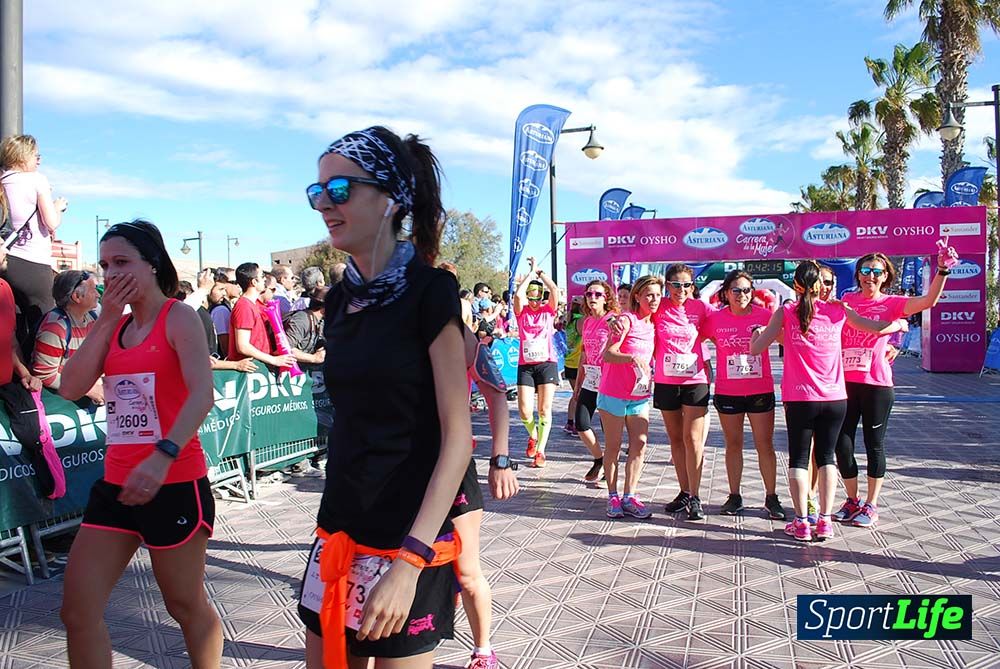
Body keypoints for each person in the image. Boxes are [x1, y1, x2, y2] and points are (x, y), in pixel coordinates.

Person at [299, 126, 472, 669]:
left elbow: (457, 439)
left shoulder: (430, 291)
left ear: (390, 196)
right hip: (339, 532)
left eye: (341, 189)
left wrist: (409, 563)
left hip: (408, 541)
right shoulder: (341, 298)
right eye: (317, 191)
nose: (324, 202)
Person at [58, 219, 221, 667]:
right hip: (116, 486)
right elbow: (70, 387)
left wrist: (162, 455)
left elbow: (201, 394)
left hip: (173, 481)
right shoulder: (114, 325)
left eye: (122, 262)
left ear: (152, 265)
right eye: (105, 265)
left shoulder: (179, 317)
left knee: (184, 606)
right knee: (77, 611)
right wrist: (107, 320)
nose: (111, 275)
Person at [750, 260, 897, 542]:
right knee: (827, 458)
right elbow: (875, 328)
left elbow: (757, 348)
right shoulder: (839, 310)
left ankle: (802, 522)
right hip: (835, 398)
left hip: (800, 398)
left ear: (796, 285)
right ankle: (825, 521)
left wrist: (757, 334)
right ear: (820, 285)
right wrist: (898, 325)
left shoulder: (786, 311)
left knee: (799, 459)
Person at [832, 244, 957, 528]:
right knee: (843, 444)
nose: (870, 276)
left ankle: (871, 505)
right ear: (858, 274)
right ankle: (852, 500)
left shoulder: (892, 303)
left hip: (876, 385)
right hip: (845, 385)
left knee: (874, 445)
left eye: (877, 272)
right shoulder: (846, 300)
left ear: (885, 276)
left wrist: (943, 270)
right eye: (865, 270)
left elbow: (928, 301)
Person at [701, 270, 785, 520]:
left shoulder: (765, 315)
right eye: (736, 290)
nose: (741, 295)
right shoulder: (715, 319)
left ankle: (771, 497)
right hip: (729, 391)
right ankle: (734, 496)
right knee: (733, 444)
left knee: (764, 445)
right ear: (726, 293)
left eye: (747, 290)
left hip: (760, 390)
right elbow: (692, 340)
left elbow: (789, 340)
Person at [598, 276, 658, 519]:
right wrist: (631, 358)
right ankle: (612, 496)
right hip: (613, 393)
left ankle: (629, 495)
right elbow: (608, 355)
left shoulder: (654, 324)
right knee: (613, 447)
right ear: (637, 297)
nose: (654, 300)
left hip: (639, 396)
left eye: (657, 295)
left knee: (639, 446)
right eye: (649, 295)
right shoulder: (626, 321)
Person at [655, 264, 711, 521]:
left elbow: (727, 319)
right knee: (676, 439)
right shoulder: (659, 306)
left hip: (695, 380)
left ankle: (696, 496)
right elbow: (636, 316)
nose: (681, 290)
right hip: (666, 381)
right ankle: (685, 491)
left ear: (693, 286)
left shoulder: (701, 308)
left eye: (686, 285)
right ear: (667, 285)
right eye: (676, 284)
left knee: (693, 439)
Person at [0, 135, 68, 345]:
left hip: (6, 260)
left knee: (15, 325)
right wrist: (58, 207)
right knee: (45, 324)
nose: (39, 160)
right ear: (23, 157)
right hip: (33, 264)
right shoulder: (37, 180)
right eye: (36, 155)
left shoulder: (2, 181)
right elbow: (52, 222)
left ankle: (18, 375)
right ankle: (39, 375)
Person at [512, 258, 560, 468]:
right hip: (526, 365)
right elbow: (516, 296)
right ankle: (533, 435)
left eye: (537, 295)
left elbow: (555, 290)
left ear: (542, 296)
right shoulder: (521, 313)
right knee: (524, 410)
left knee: (544, 409)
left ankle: (540, 451)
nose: (533, 300)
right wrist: (529, 275)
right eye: (530, 295)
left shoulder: (547, 312)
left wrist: (540, 275)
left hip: (547, 363)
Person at [32, 270, 102, 402]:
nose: (98, 294)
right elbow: (45, 375)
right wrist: (86, 389)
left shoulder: (92, 319)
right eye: (93, 290)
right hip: (59, 399)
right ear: (77, 296)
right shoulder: (55, 327)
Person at [573, 280, 619, 482]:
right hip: (590, 381)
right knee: (581, 423)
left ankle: (609, 472)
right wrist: (577, 384)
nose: (592, 298)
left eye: (598, 294)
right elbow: (584, 355)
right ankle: (599, 459)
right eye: (589, 294)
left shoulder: (612, 320)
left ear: (606, 298)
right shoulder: (587, 322)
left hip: (609, 382)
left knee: (608, 430)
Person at [229, 262, 295, 370]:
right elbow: (243, 346)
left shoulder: (252, 304)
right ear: (254, 282)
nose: (265, 279)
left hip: (258, 368)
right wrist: (273, 360)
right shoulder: (244, 306)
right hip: (250, 371)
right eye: (262, 276)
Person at [562, 296, 584, 435]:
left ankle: (570, 422)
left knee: (575, 394)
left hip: (569, 362)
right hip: (577, 362)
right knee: (579, 395)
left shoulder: (570, 319)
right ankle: (575, 423)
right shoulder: (580, 320)